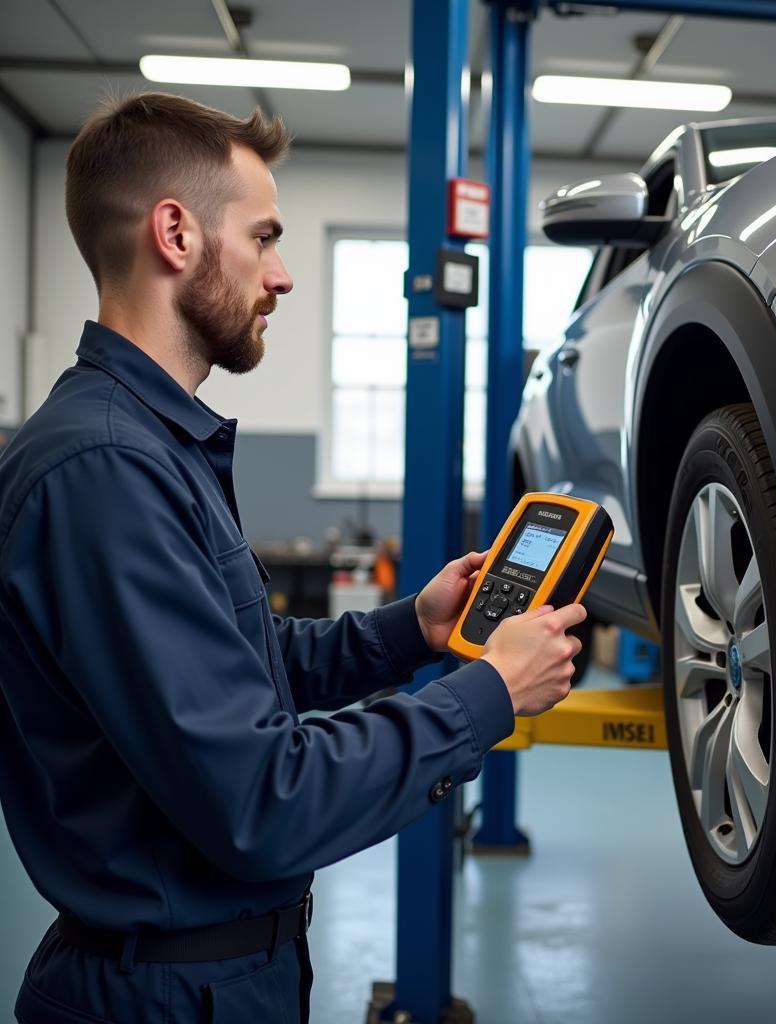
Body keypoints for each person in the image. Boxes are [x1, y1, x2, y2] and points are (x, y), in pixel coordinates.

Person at [0, 92, 586, 1023]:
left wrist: (412, 631)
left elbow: (241, 679)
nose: (282, 276)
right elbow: (264, 799)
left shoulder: (149, 449)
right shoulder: (105, 471)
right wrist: (488, 696)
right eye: (265, 237)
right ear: (176, 234)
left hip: (213, 976)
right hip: (162, 996)